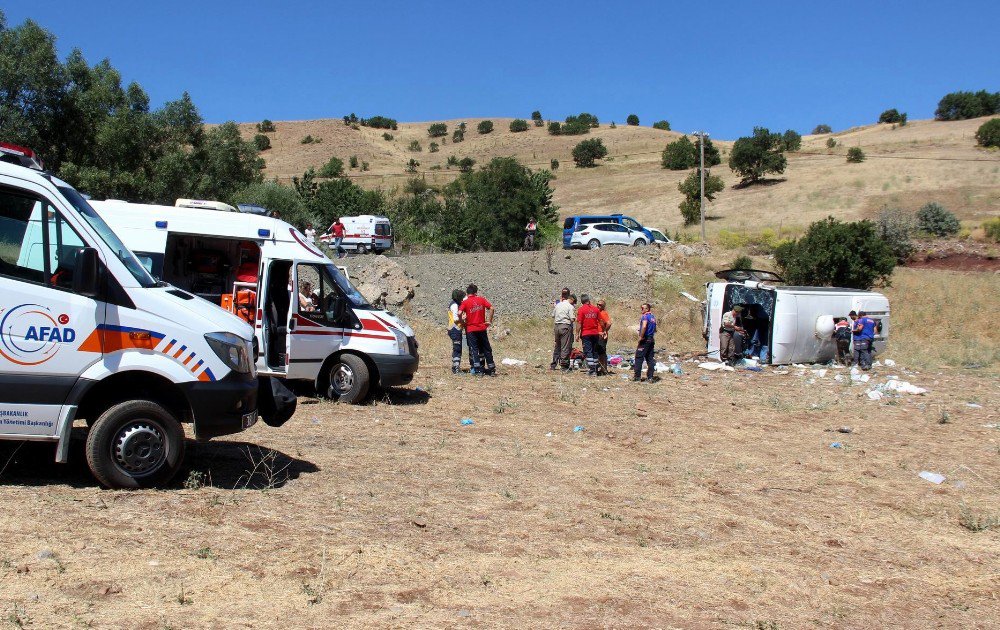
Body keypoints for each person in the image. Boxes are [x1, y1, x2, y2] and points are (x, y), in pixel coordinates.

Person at [459, 284, 495, 376]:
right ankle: (491, 369)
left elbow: (459, 312)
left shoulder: (465, 302)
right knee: (486, 348)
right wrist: (489, 321)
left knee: (474, 349)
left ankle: (478, 370)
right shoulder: (481, 300)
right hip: (482, 328)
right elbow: (491, 308)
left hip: (471, 329)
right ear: (476, 292)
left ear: (467, 293)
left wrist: (462, 322)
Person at [576, 295, 602, 376]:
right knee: (595, 351)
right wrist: (603, 331)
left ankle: (592, 370)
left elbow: (579, 323)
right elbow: (600, 321)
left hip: (586, 333)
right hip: (595, 333)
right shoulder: (596, 309)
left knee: (588, 351)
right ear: (588, 300)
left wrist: (577, 333)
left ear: (582, 301)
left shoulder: (581, 310)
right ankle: (596, 369)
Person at [551, 288, 575, 370]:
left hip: (557, 326)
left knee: (557, 346)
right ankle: (564, 366)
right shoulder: (570, 306)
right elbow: (572, 318)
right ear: (570, 298)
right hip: (565, 326)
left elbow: (553, 315)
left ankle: (553, 364)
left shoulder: (558, 304)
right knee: (565, 346)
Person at [633, 303, 657, 382]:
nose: (642, 310)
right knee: (650, 358)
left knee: (639, 357)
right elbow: (655, 330)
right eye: (641, 308)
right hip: (651, 339)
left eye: (643, 308)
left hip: (645, 339)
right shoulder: (653, 317)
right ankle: (650, 377)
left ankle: (637, 377)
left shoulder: (645, 317)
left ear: (647, 309)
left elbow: (644, 326)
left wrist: (641, 337)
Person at [447, 289, 466, 374]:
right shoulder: (454, 305)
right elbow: (455, 319)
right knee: (457, 348)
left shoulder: (455, 304)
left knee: (457, 348)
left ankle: (455, 366)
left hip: (455, 329)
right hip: (455, 329)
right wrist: (463, 320)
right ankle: (456, 368)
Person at [596, 298, 612, 374]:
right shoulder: (597, 312)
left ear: (603, 306)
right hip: (597, 335)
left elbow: (609, 323)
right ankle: (601, 368)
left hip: (602, 336)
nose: (598, 306)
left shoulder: (603, 313)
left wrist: (605, 331)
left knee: (602, 353)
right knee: (598, 352)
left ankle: (604, 369)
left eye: (600, 305)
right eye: (597, 304)